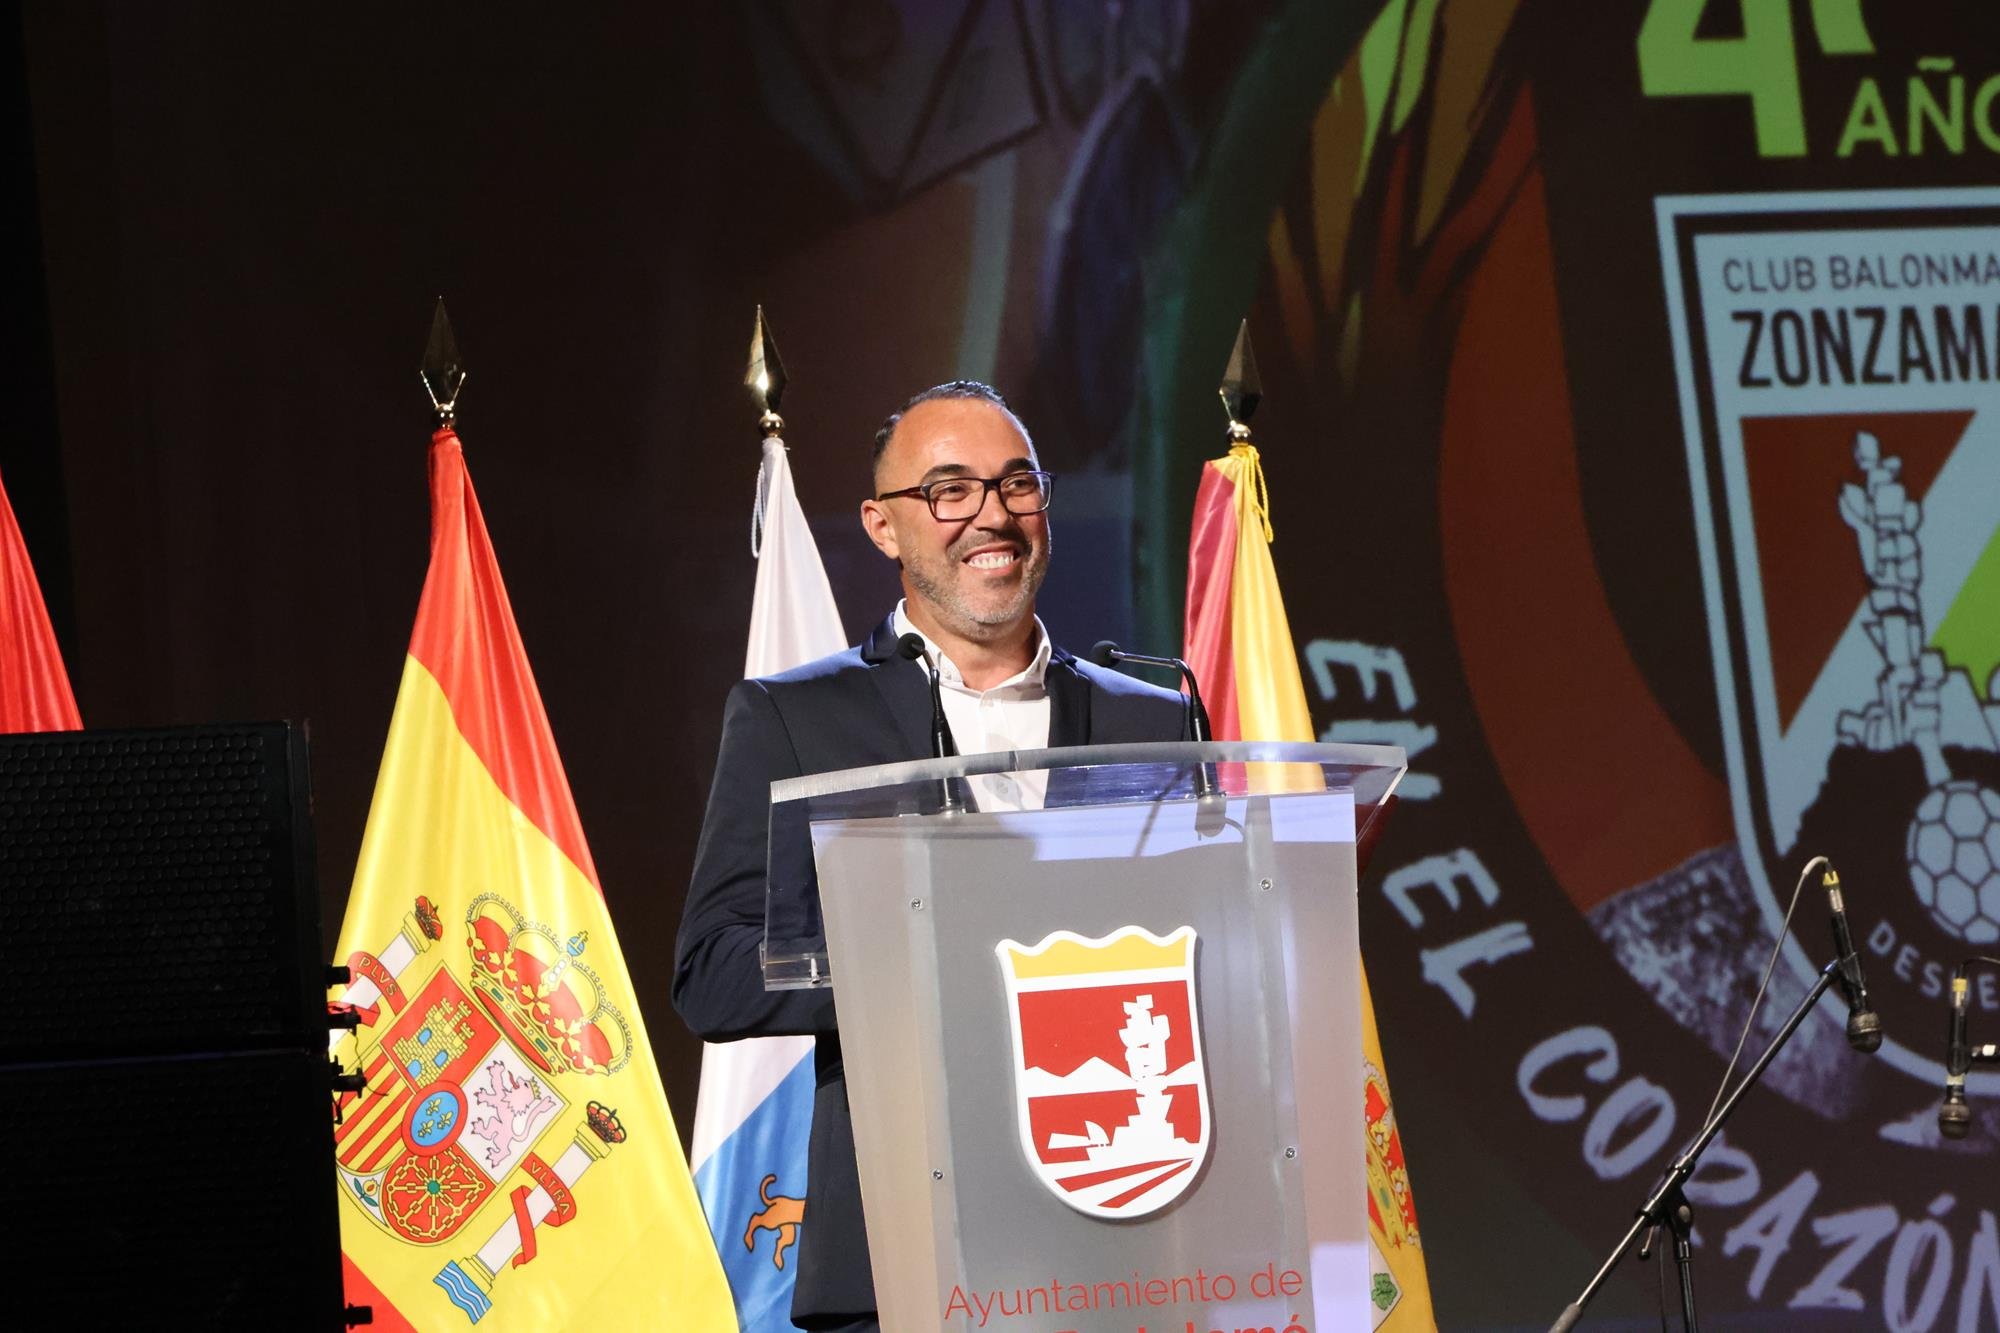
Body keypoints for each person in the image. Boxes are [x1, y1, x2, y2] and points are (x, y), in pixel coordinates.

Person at [674, 381, 1186, 1331]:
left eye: (1016, 483)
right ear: (882, 524)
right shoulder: (796, 719)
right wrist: (923, 952)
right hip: (898, 1267)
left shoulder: (1150, 719)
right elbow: (711, 972)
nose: (992, 515)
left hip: (1134, 1254)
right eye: (949, 490)